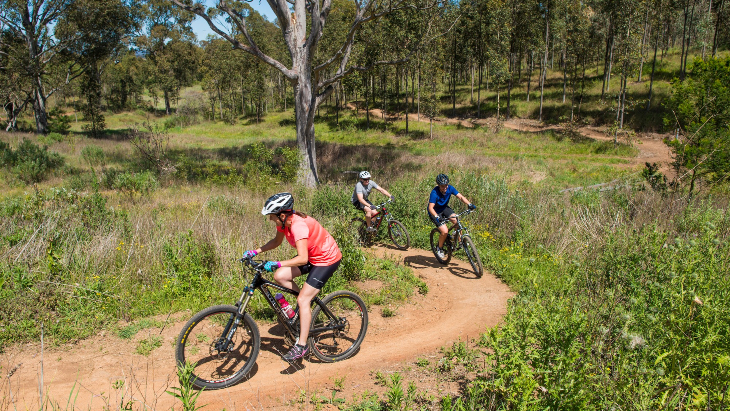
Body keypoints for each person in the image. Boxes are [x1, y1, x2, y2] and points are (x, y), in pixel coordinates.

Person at [243, 193, 342, 362]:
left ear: (282, 215)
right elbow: (276, 242)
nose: (270, 220)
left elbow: (302, 258)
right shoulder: (284, 224)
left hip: (326, 260)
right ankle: (303, 307)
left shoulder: (298, 225)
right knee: (280, 276)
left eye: (272, 217)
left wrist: (277, 262)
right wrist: (256, 251)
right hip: (312, 257)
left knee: (303, 299)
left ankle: (301, 345)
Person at [427, 174, 476, 259]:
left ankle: (460, 242)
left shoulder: (450, 188)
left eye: (446, 185)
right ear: (438, 185)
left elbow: (460, 197)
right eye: (442, 186)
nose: (445, 187)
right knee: (445, 231)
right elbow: (430, 208)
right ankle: (439, 248)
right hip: (435, 212)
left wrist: (469, 204)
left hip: (444, 208)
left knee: (457, 221)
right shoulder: (434, 193)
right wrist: (437, 216)